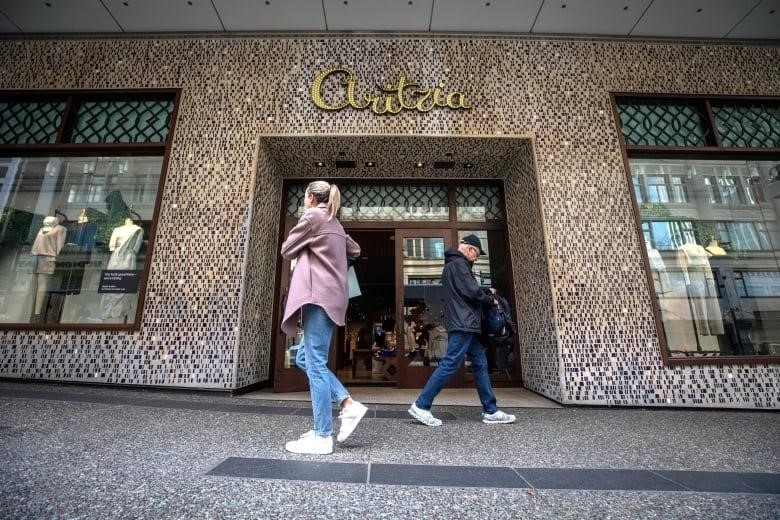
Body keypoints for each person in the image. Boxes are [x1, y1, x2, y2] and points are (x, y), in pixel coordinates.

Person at [280, 180, 367, 455]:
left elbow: (286, 249)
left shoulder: (313, 216)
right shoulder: (335, 222)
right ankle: (347, 404)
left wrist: (310, 245)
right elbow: (355, 250)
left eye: (304, 197)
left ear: (309, 197)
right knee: (306, 358)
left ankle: (322, 436)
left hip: (318, 296)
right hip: (334, 297)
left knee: (315, 363)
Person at [408, 234, 516, 426]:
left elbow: (467, 291)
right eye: (476, 253)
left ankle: (490, 410)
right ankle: (421, 405)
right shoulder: (459, 265)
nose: (476, 257)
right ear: (468, 248)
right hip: (463, 323)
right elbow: (471, 292)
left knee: (480, 363)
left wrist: (483, 293)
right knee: (451, 363)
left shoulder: (455, 265)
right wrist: (489, 298)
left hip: (466, 323)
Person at [30, 216, 67, 321]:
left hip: (48, 257)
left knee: (43, 283)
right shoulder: (42, 229)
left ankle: (37, 313)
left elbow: (60, 246)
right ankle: (31, 309)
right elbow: (36, 243)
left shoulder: (61, 229)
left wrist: (57, 258)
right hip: (36, 257)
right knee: (33, 283)